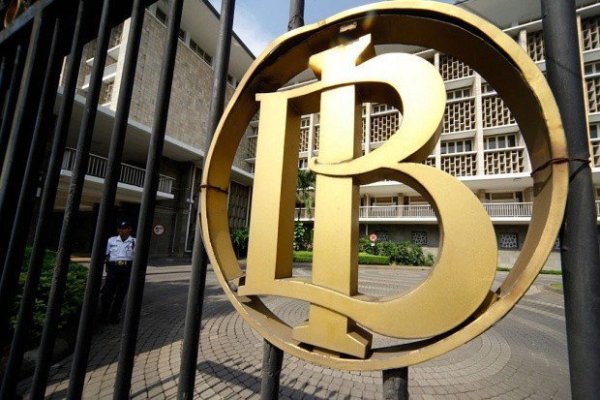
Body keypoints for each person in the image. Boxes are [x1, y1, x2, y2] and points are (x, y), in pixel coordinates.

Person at [99, 220, 135, 324]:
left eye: (124, 228)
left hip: (126, 269)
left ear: (129, 229)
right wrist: (107, 267)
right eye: (119, 228)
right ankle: (104, 314)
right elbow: (106, 255)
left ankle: (114, 315)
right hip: (113, 269)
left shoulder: (134, 241)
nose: (121, 230)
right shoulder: (111, 240)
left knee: (120, 294)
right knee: (107, 293)